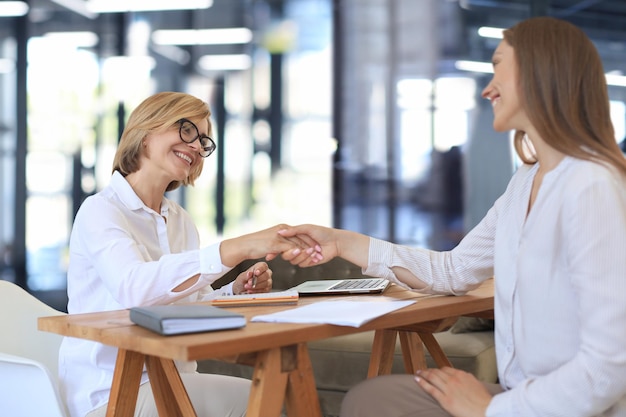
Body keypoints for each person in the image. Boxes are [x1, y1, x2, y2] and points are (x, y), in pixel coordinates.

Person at [279, 16, 626, 416]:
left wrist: (489, 409)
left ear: (538, 71)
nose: (487, 88)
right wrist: (343, 242)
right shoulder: (525, 183)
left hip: (574, 406)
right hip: (521, 396)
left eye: (498, 66)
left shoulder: (592, 185)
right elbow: (454, 271)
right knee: (372, 399)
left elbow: (610, 365)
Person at [59, 91, 316, 417]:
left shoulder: (180, 220)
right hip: (111, 390)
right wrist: (234, 249)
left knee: (275, 396)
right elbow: (133, 288)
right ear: (147, 131)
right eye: (186, 130)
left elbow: (191, 302)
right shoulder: (101, 210)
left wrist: (234, 291)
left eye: (204, 141)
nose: (197, 146)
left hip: (174, 377)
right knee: (267, 403)